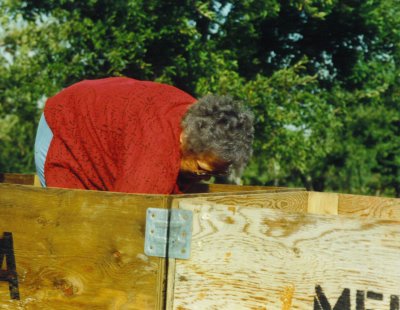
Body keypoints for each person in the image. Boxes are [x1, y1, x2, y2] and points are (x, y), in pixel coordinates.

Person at [34, 77, 254, 194]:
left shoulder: (200, 119)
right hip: (65, 128)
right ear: (184, 140)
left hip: (106, 128)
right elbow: (128, 220)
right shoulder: (154, 155)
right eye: (202, 170)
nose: (205, 178)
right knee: (74, 225)